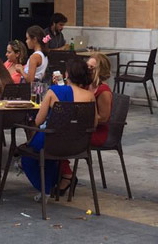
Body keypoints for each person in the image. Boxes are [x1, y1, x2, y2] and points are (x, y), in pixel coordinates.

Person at [20, 56, 96, 196]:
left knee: (28, 156)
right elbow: (94, 122)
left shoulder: (53, 91)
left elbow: (38, 121)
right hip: (78, 144)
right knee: (46, 153)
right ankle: (56, 182)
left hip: (52, 141)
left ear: (67, 74)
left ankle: (46, 188)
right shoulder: (89, 96)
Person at [86, 52, 113, 148]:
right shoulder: (86, 85)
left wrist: (80, 118)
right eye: (87, 67)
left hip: (96, 132)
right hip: (84, 128)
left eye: (91, 68)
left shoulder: (104, 91)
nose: (88, 70)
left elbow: (103, 118)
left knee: (63, 136)